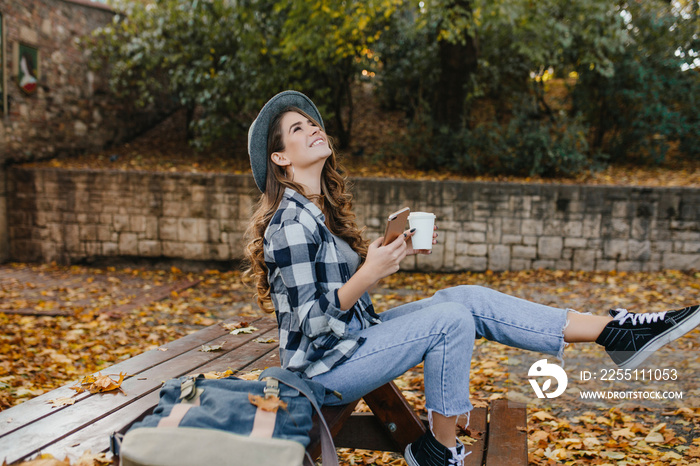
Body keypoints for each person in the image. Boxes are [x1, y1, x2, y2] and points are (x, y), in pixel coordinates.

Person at [243, 90, 700, 466]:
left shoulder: (319, 214)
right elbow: (312, 321)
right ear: (280, 158)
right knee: (450, 320)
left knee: (465, 297)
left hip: (353, 339)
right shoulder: (290, 224)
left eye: (312, 122)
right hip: (322, 368)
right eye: (299, 129)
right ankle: (439, 452)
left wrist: (392, 252)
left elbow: (344, 296)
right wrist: (369, 272)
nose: (314, 128)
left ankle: (614, 331)